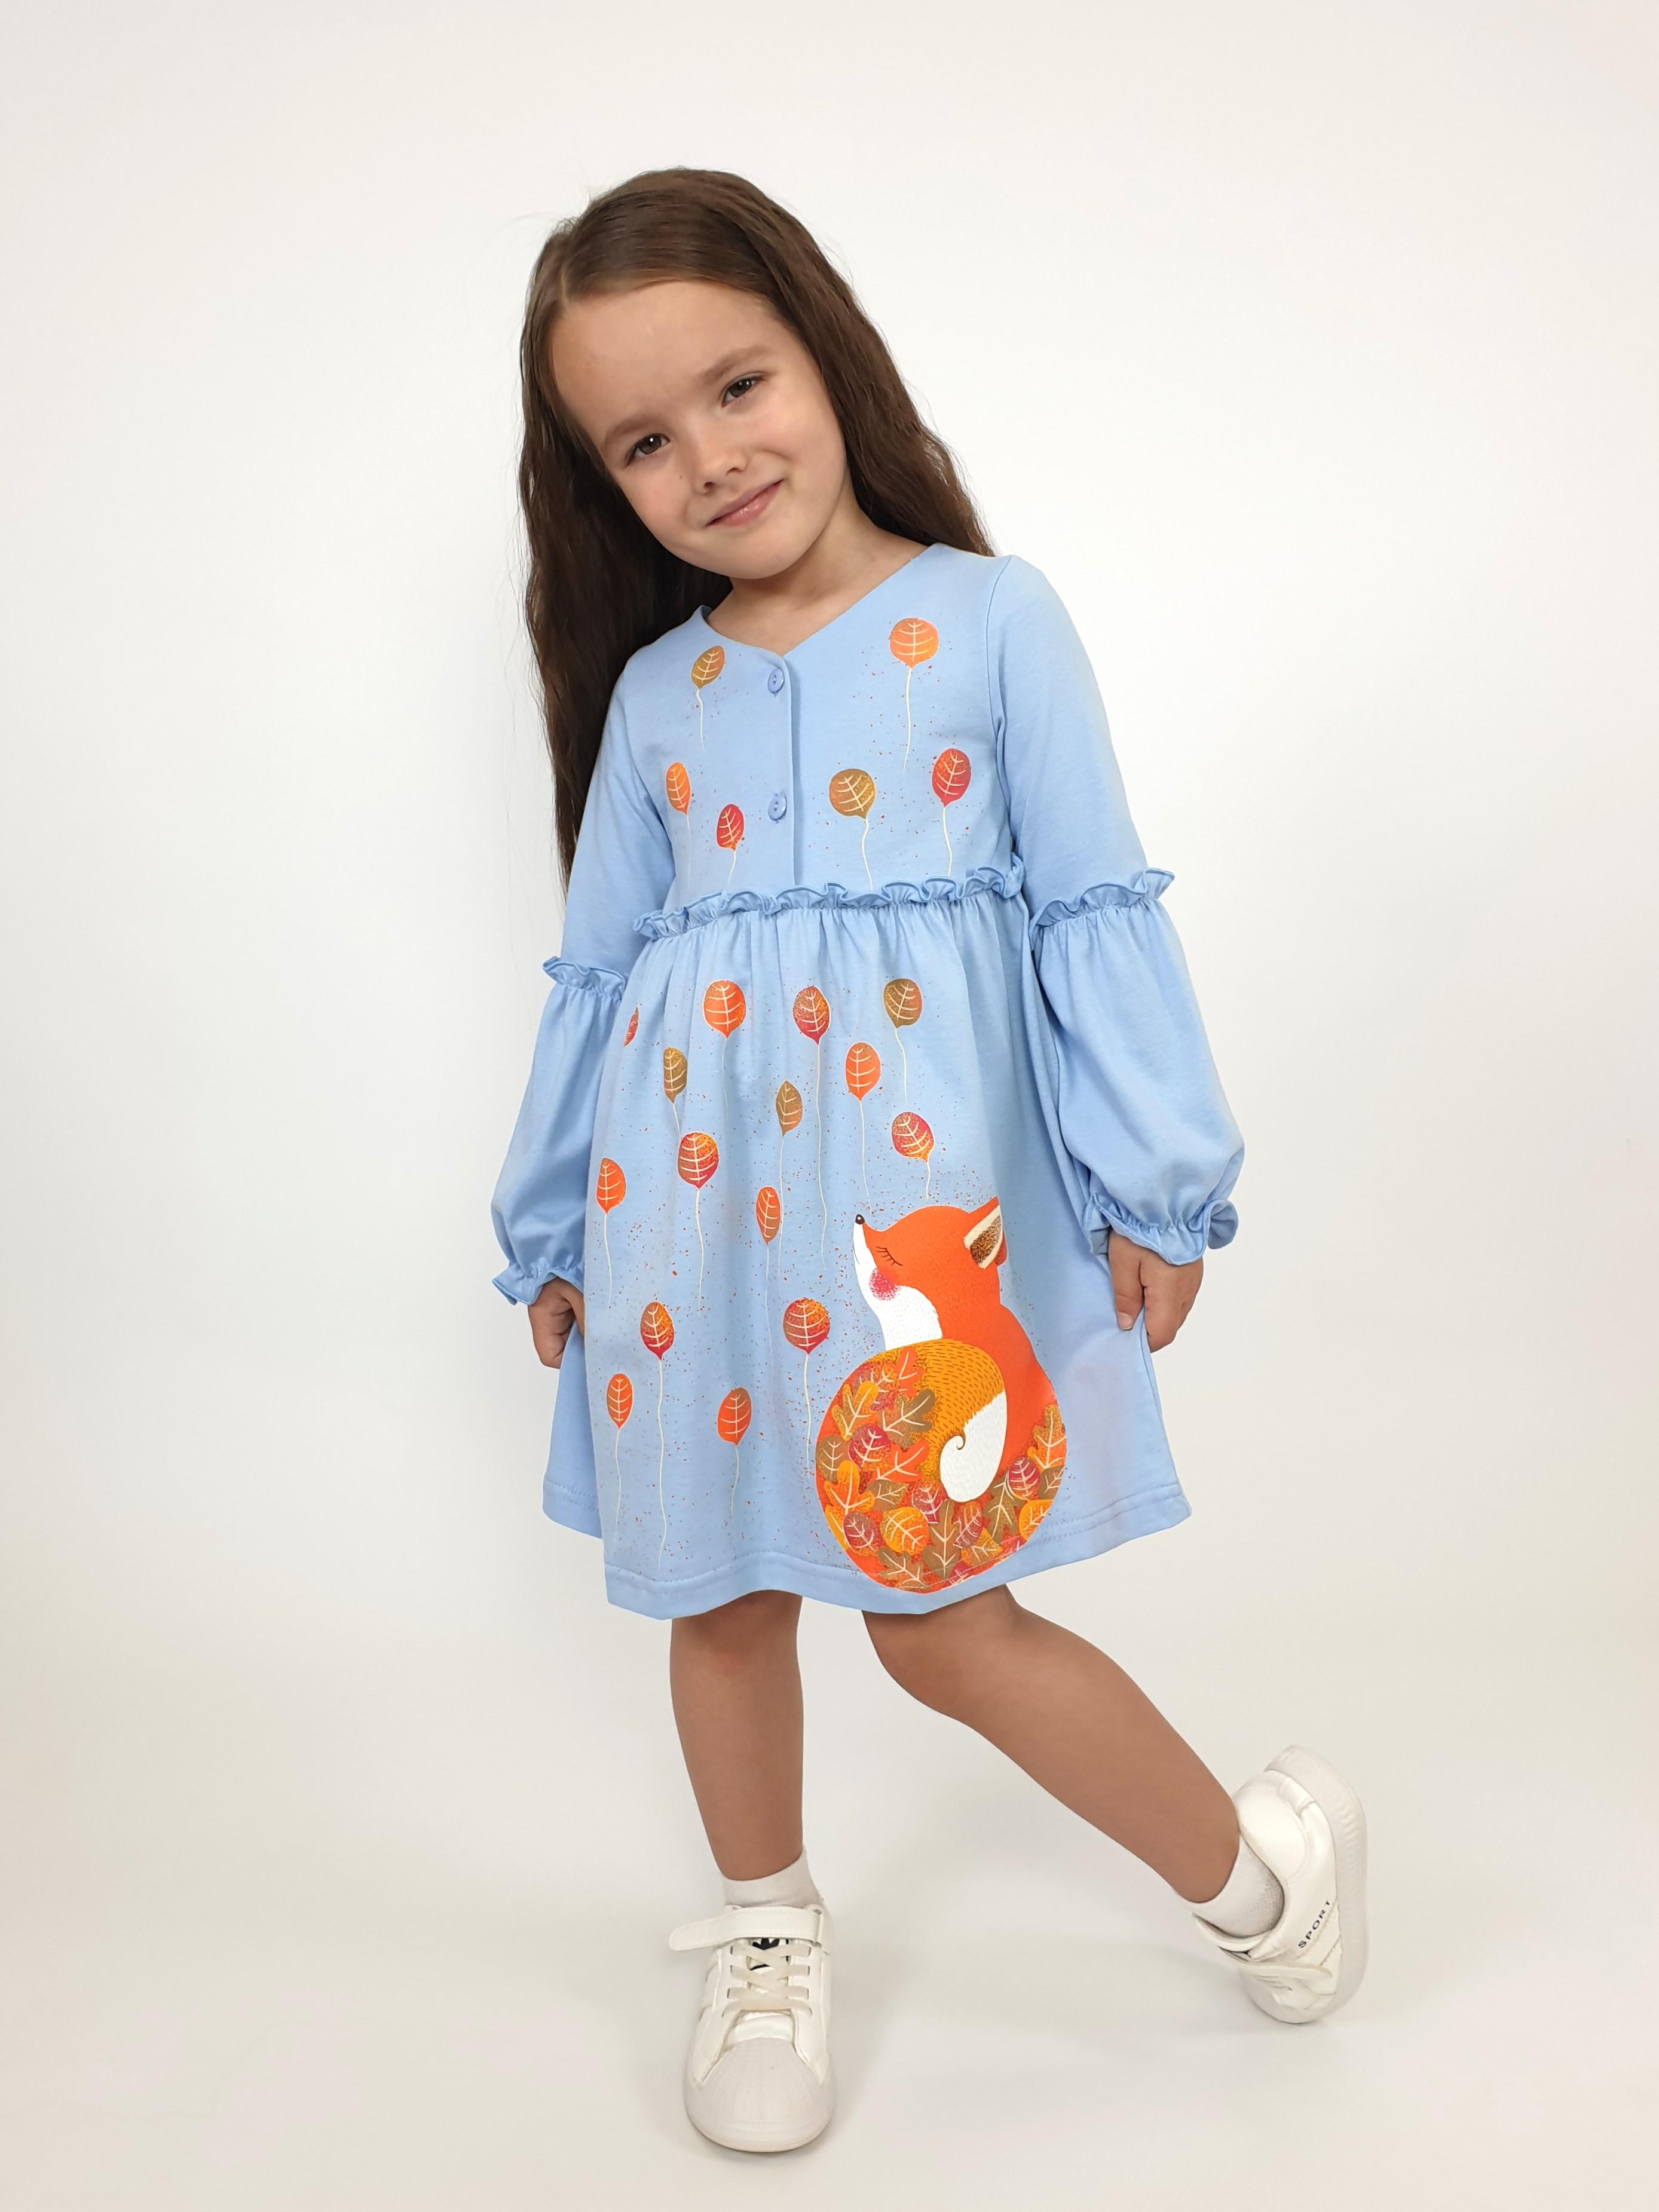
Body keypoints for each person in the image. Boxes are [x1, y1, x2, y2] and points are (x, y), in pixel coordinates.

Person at [489, 166, 1367, 2156]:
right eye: (643, 441)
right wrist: (551, 1226)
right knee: (721, 1600)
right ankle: (767, 1927)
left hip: (914, 1239)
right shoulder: (657, 699)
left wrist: (1155, 1177)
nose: (710, 458)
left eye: (738, 386)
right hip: (692, 1235)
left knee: (939, 1622)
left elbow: (1088, 907)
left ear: (826, 353)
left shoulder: (990, 620)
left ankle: (1263, 1883)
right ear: (602, 484)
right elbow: (602, 978)